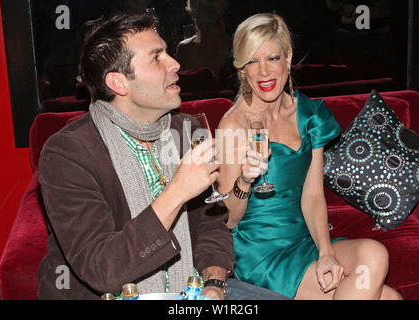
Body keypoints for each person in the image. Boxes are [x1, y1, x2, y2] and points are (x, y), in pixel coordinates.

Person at [37, 13, 289, 300]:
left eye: (167, 52)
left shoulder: (187, 130)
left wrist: (214, 285)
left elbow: (212, 225)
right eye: (157, 58)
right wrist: (177, 192)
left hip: (192, 291)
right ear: (119, 83)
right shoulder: (67, 154)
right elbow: (102, 270)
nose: (176, 63)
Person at [217, 13, 403, 300]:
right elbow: (228, 219)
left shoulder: (309, 114)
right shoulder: (234, 125)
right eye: (252, 61)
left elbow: (313, 195)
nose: (264, 72)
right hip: (261, 254)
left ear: (289, 59)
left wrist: (326, 252)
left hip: (305, 242)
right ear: (242, 68)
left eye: (273, 58)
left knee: (375, 255)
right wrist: (244, 179)